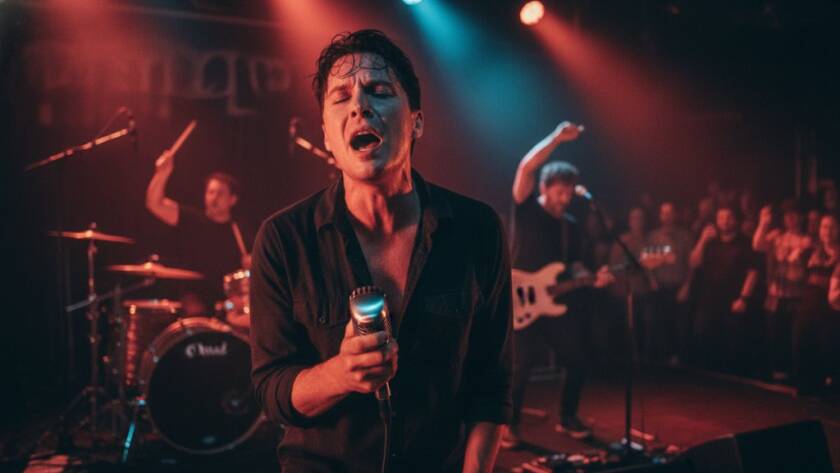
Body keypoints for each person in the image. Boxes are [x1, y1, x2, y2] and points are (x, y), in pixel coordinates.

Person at [248, 30, 512, 473]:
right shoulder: (283, 239)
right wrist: (340, 374)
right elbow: (272, 393)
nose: (359, 105)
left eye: (380, 91)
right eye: (341, 96)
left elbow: (493, 383)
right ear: (328, 137)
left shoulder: (478, 229)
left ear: (416, 122)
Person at [504, 122, 612, 448]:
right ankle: (508, 426)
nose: (565, 198)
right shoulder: (525, 210)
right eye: (560, 191)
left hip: (554, 301)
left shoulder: (571, 227)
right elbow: (526, 167)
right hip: (521, 296)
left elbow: (574, 266)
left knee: (577, 357)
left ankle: (568, 417)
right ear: (545, 188)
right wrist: (556, 138)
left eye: (569, 192)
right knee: (521, 366)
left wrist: (594, 278)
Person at [146, 150, 253, 317]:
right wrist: (163, 173)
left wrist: (254, 265)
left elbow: (255, 273)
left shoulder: (241, 231)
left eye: (220, 193)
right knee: (196, 310)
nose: (214, 197)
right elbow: (154, 204)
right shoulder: (192, 220)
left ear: (233, 199)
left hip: (228, 302)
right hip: (194, 296)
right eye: (210, 192)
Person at [688, 207, 759, 373]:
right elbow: (693, 263)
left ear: (735, 220)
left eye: (728, 217)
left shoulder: (745, 243)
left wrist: (744, 298)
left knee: (731, 344)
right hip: (709, 300)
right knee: (703, 337)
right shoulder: (710, 242)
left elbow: (753, 272)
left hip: (733, 300)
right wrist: (702, 240)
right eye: (721, 218)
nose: (725, 221)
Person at [752, 199, 811, 380]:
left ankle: (796, 375)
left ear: (801, 217)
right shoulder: (777, 236)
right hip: (776, 294)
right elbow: (757, 245)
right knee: (776, 336)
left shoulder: (806, 239)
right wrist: (763, 222)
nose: (790, 218)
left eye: (794, 214)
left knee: (795, 338)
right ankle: (779, 374)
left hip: (797, 296)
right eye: (787, 215)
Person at [793, 213, 840, 394]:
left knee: (827, 349)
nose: (827, 231)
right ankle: (805, 389)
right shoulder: (812, 250)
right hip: (808, 305)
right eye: (824, 227)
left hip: (830, 310)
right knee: (802, 344)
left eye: (832, 226)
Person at [646, 202, 693, 365]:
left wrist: (687, 286)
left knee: (680, 326)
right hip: (660, 286)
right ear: (660, 216)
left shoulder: (686, 236)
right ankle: (663, 361)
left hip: (679, 286)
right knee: (661, 324)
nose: (666, 216)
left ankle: (681, 361)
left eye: (670, 213)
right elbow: (647, 262)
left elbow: (692, 264)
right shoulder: (653, 236)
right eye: (663, 213)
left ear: (675, 215)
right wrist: (651, 281)